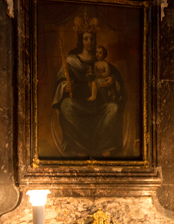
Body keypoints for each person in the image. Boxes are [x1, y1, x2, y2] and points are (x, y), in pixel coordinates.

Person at [52, 22, 126, 158]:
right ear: (81, 40)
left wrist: (113, 81)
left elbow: (117, 83)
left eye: (92, 39)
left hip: (100, 107)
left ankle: (104, 146)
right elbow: (60, 82)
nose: (89, 42)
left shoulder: (103, 62)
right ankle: (79, 146)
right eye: (86, 39)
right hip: (80, 105)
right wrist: (64, 87)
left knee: (114, 108)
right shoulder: (71, 61)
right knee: (66, 105)